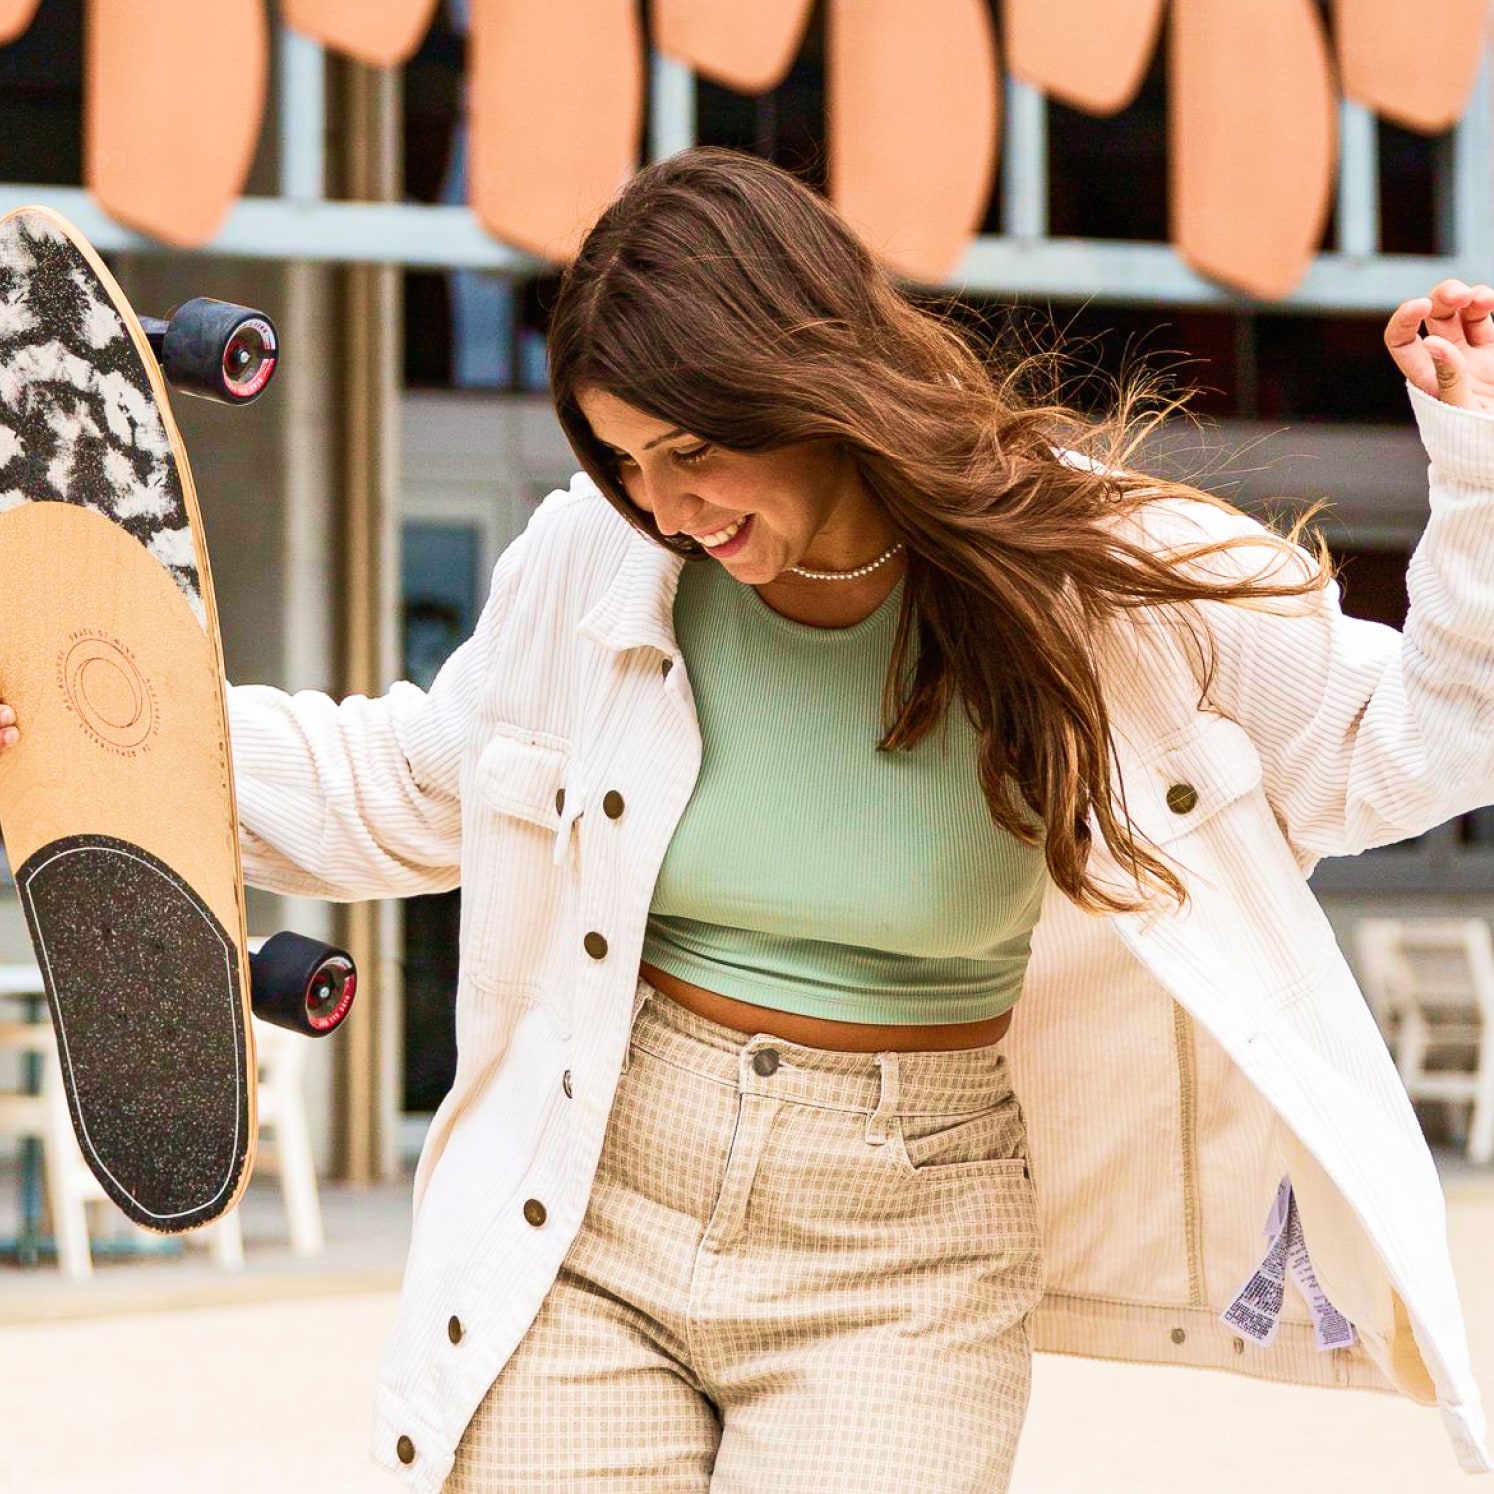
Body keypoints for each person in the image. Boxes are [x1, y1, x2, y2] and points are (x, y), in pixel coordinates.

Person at [3, 147, 1492, 1490]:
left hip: (900, 1241)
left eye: (692, 450)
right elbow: (413, 779)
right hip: (596, 1197)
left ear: (806, 383)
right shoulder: (598, 558)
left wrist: (1476, 473)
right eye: (627, 462)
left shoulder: (1094, 572)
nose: (667, 505)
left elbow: (1411, 746)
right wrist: (84, 732)